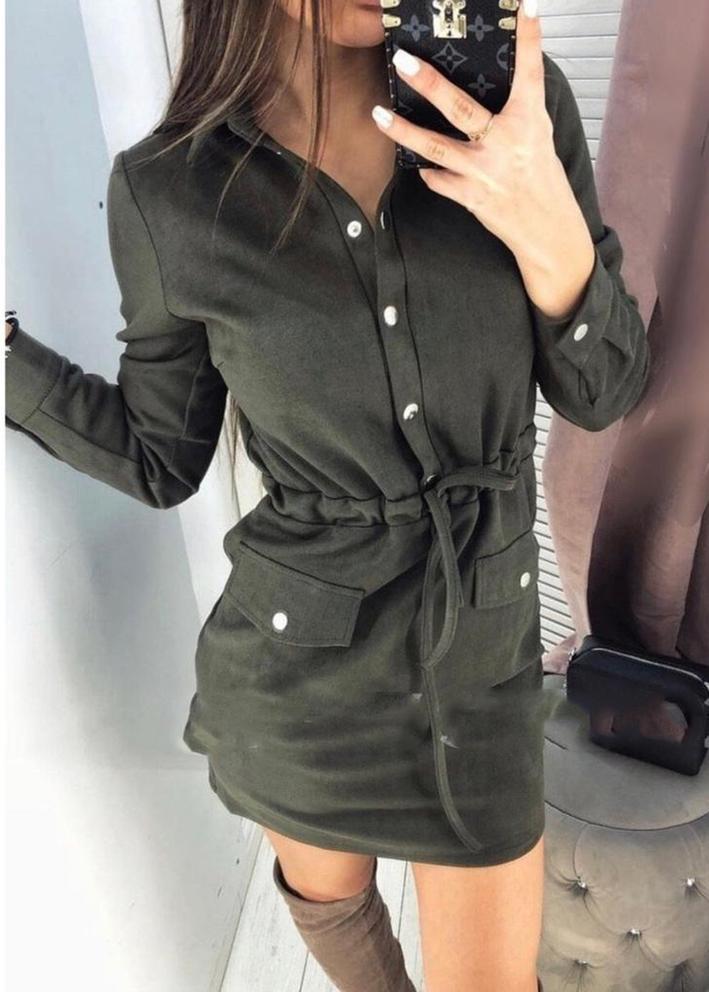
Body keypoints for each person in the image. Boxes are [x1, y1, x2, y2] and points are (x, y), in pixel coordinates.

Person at [5, 1, 650, 990]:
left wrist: (548, 228)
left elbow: (602, 391)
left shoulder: (515, 112)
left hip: (479, 655)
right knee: (336, 911)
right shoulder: (168, 191)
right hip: (293, 671)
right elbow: (160, 458)